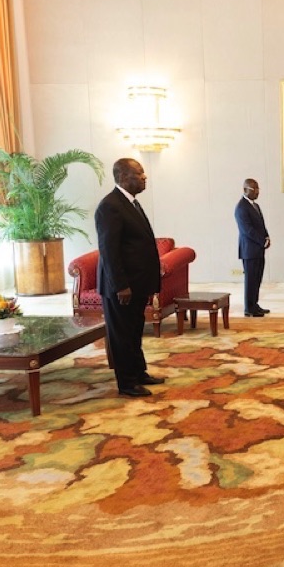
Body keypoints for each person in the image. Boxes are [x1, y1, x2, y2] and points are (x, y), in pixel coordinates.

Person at [94, 158, 164, 397]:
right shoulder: (110, 206)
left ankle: (139, 372)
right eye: (140, 173)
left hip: (137, 283)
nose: (145, 177)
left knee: (134, 330)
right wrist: (120, 285)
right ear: (124, 177)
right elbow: (109, 250)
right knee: (121, 334)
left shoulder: (130, 203)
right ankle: (126, 383)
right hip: (122, 286)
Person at [235, 178, 271, 317]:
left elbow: (261, 225)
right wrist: (262, 241)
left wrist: (266, 237)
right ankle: (249, 309)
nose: (257, 192)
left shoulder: (255, 206)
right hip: (249, 250)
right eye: (254, 189)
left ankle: (255, 305)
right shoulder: (241, 207)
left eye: (258, 189)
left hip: (259, 249)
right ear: (245, 190)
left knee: (257, 279)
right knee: (250, 281)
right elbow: (247, 230)